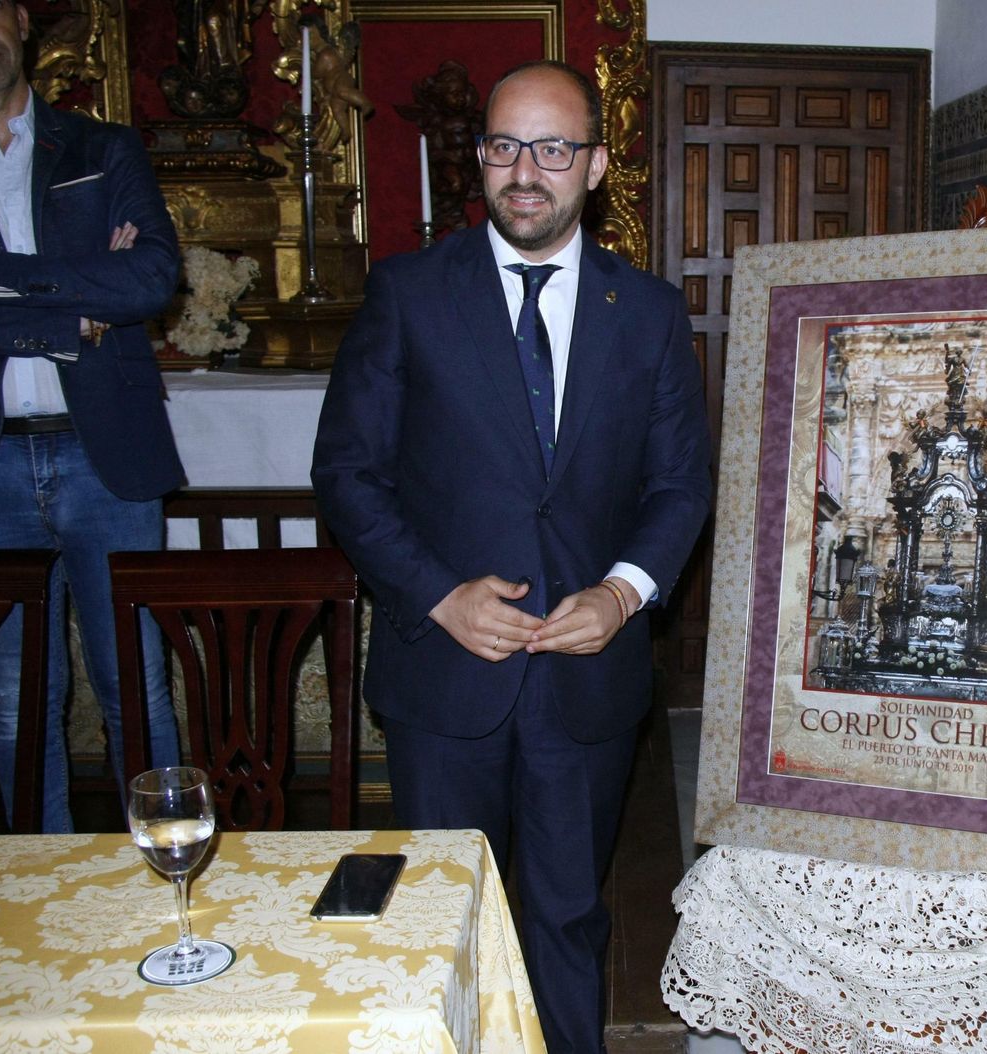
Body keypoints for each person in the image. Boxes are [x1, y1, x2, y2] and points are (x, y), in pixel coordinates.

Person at [311, 59, 711, 1054]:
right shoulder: (409, 293)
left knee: (571, 918)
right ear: (480, 158)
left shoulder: (651, 313)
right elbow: (347, 474)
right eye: (502, 146)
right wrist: (437, 593)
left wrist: (622, 596)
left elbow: (679, 487)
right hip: (445, 675)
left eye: (550, 148)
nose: (522, 171)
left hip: (587, 681)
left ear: (595, 164)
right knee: (443, 924)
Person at [0, 0, 182, 831]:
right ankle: (42, 894)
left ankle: (166, 877)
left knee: (135, 689)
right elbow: (111, 287)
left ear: (22, 23)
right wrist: (75, 306)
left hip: (108, 457)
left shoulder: (103, 148)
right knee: (14, 701)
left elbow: (150, 281)